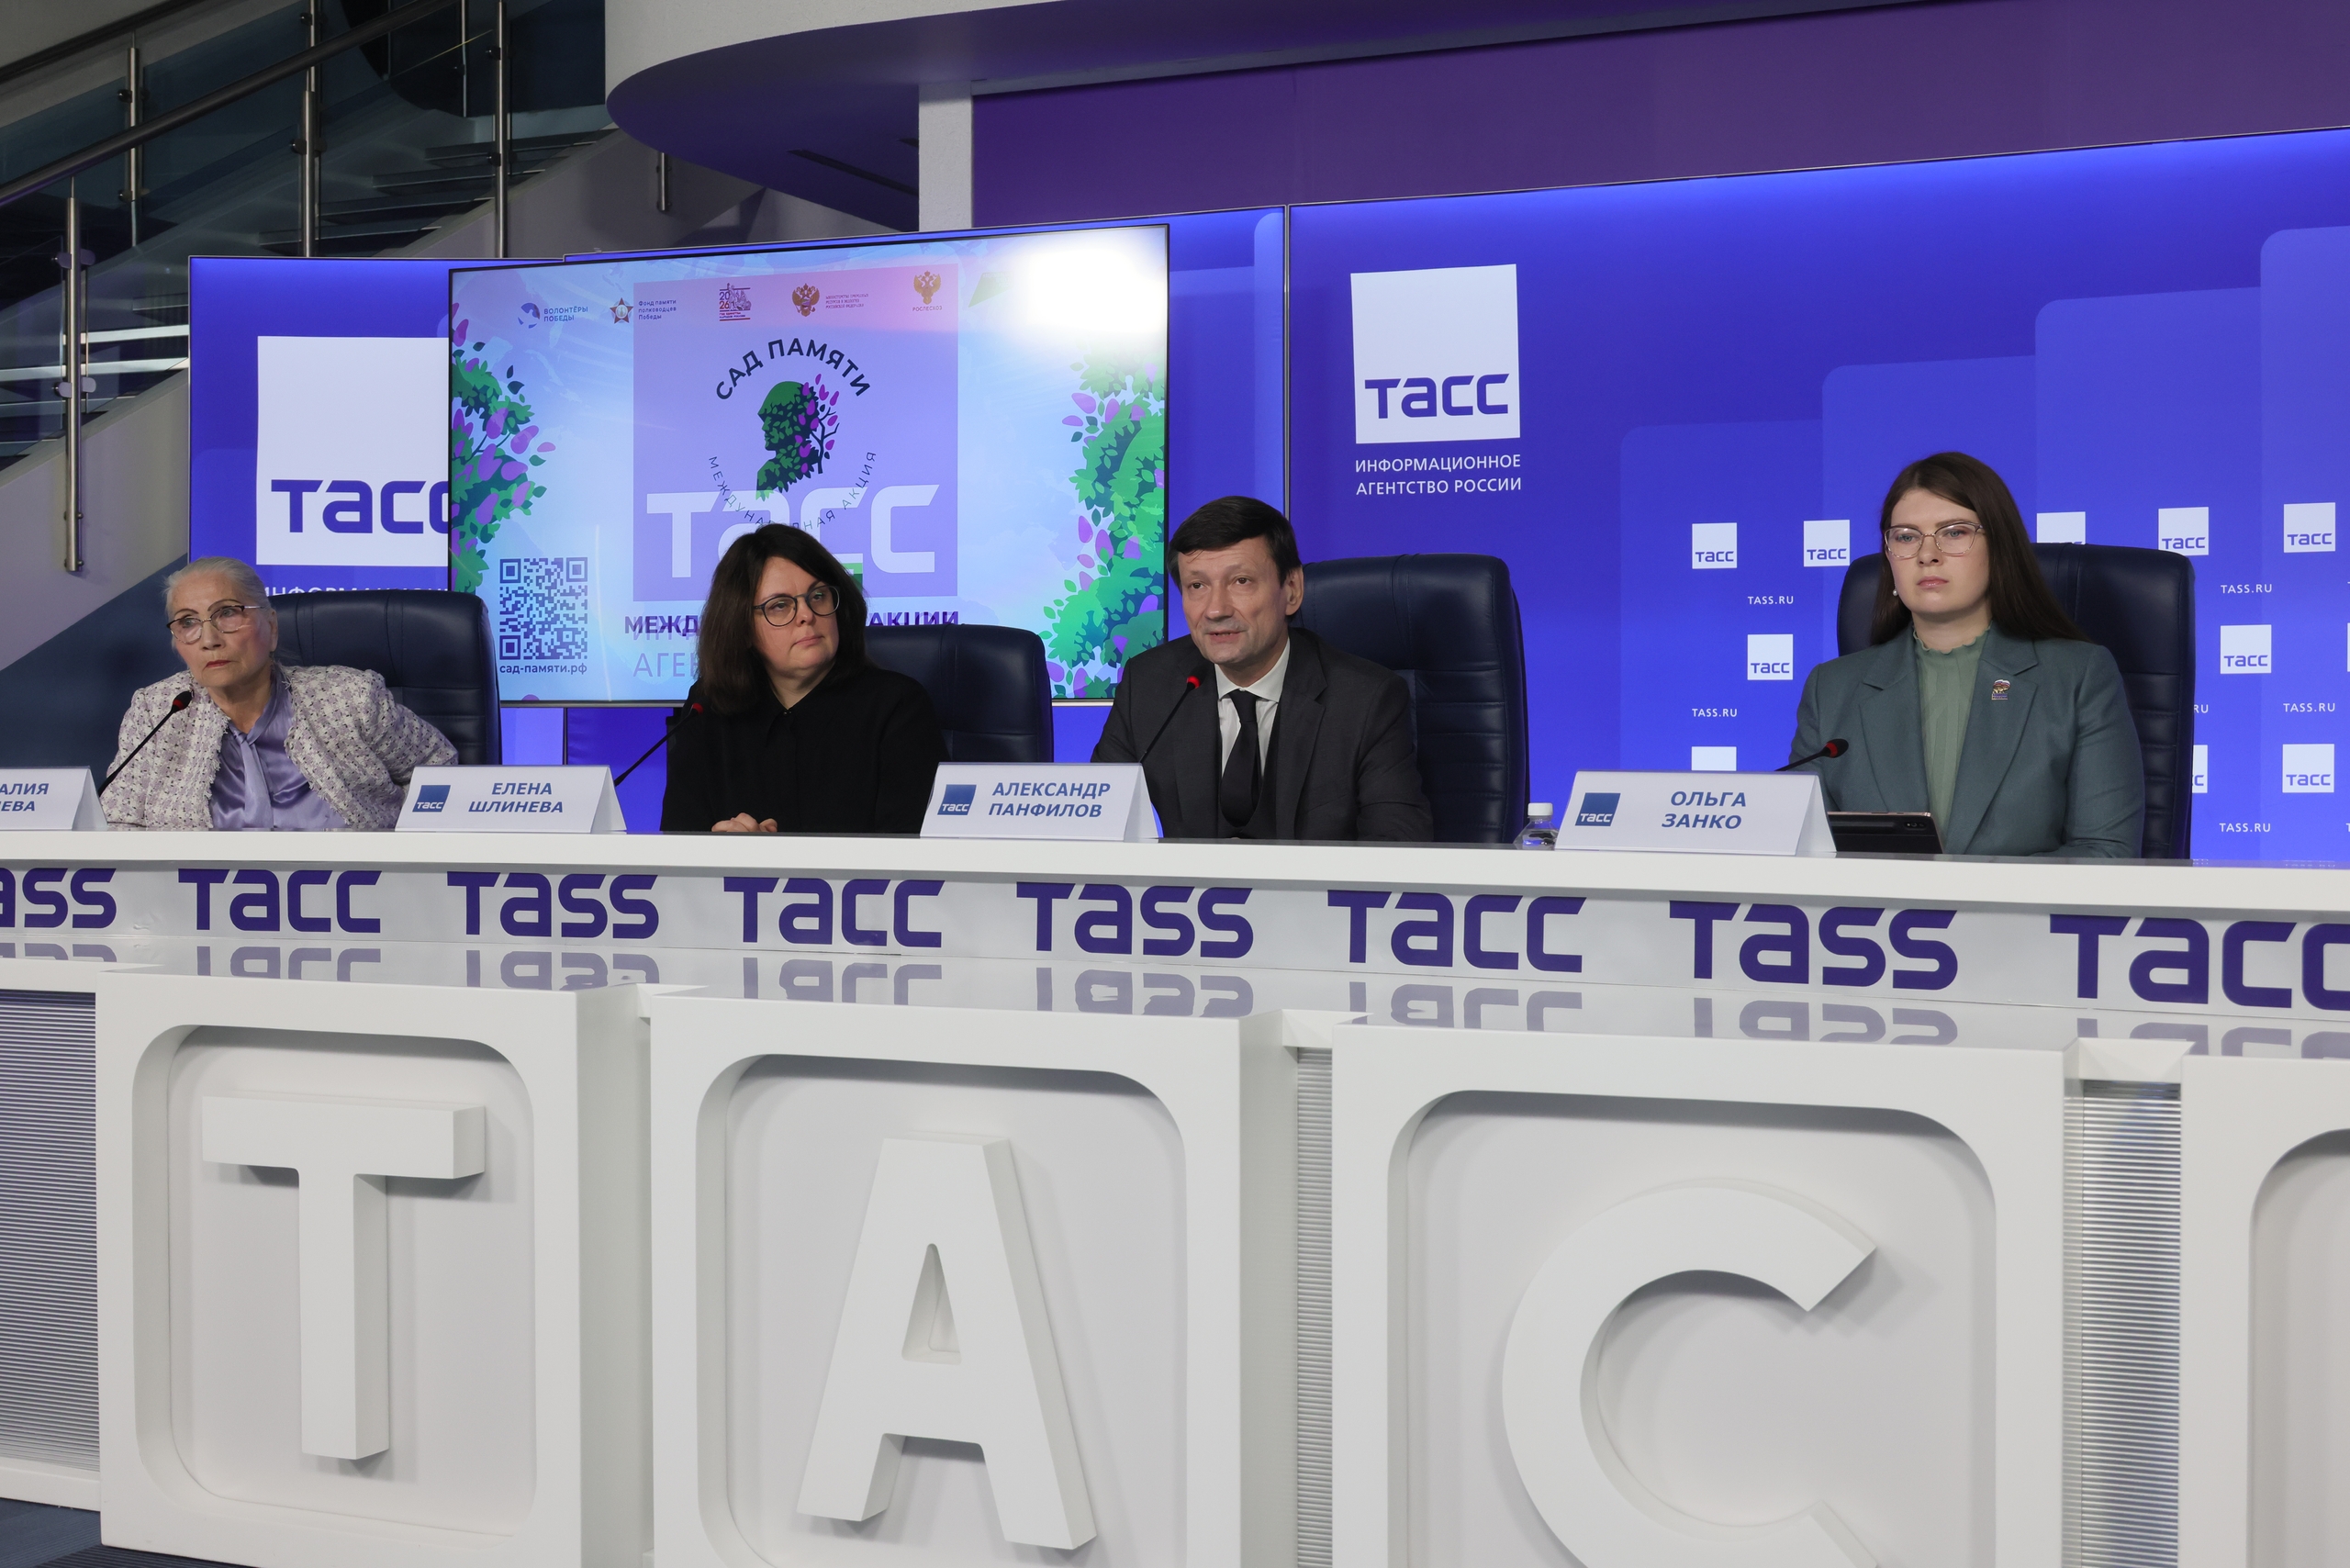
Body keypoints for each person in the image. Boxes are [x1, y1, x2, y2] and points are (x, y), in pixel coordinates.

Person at [1787, 452, 2144, 857]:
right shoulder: (1831, 689)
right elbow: (1805, 852)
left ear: (2001, 548)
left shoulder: (2078, 676)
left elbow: (2105, 852)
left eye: (1954, 532)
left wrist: (1965, 890)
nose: (1927, 554)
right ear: (1889, 556)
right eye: (1906, 537)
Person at [1093, 495, 1432, 840]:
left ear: (1292, 590)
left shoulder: (1366, 700)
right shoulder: (1149, 684)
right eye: (1197, 586)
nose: (1215, 610)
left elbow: (1397, 847)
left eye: (1241, 581)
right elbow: (1095, 825)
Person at [104, 557, 455, 831]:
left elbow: (439, 769)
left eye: (227, 614)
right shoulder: (157, 710)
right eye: (188, 622)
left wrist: (409, 860)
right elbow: (118, 820)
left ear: (271, 627)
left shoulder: (349, 699)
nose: (209, 640)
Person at [662, 523, 946, 834]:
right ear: (742, 629)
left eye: (818, 595)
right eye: (780, 605)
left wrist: (764, 857)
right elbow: (677, 840)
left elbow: (912, 851)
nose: (807, 615)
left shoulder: (897, 707)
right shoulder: (708, 708)